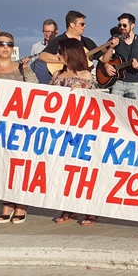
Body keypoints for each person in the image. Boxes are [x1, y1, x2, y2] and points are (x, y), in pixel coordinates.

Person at [0, 32, 39, 224]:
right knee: (1, 166)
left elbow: (37, 93)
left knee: (19, 165)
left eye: (9, 44)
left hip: (20, 126)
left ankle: (21, 204)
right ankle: (7, 202)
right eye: (1, 44)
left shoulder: (22, 69)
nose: (5, 47)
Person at [49, 38, 98, 226]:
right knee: (64, 170)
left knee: (84, 170)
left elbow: (95, 103)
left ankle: (90, 209)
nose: (58, 55)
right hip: (62, 129)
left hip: (82, 130)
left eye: (60, 52)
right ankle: (68, 208)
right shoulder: (57, 75)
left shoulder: (86, 75)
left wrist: (82, 90)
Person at [100, 13, 138, 100]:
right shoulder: (116, 38)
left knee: (133, 108)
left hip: (134, 83)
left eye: (124, 25)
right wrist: (106, 65)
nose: (121, 27)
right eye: (120, 25)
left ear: (132, 25)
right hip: (117, 82)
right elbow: (101, 52)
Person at [29, 19, 58, 84]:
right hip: (40, 81)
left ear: (56, 32)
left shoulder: (61, 46)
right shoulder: (35, 47)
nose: (47, 34)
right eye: (45, 31)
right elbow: (33, 66)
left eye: (50, 32)